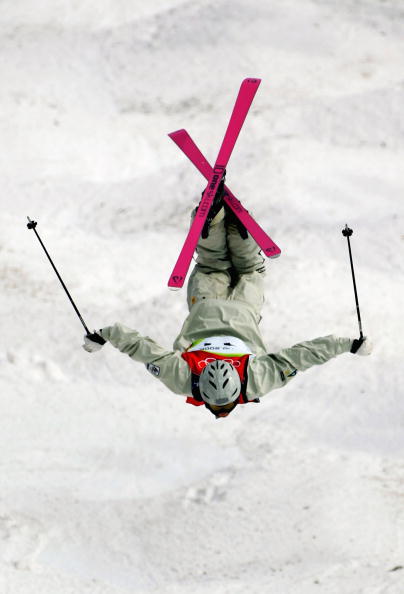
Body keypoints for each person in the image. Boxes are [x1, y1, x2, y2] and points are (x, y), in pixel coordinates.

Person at [83, 182, 372, 419]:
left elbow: (304, 355)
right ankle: (217, 222)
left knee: (250, 269)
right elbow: (142, 349)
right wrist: (104, 335)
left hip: (245, 309)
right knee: (212, 265)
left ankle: (238, 231)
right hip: (205, 305)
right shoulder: (181, 379)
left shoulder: (257, 380)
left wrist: (348, 344)